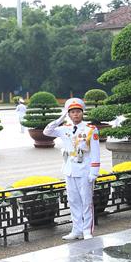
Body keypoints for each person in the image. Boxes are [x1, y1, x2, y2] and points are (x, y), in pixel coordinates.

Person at [44, 98, 101, 241]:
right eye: (72, 112)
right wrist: (60, 118)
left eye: (78, 112)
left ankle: (87, 230)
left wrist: (94, 172)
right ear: (69, 114)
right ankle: (76, 230)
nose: (75, 115)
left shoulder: (90, 130)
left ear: (82, 113)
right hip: (69, 169)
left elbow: (95, 152)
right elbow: (47, 131)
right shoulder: (65, 129)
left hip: (85, 170)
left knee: (86, 201)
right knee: (73, 200)